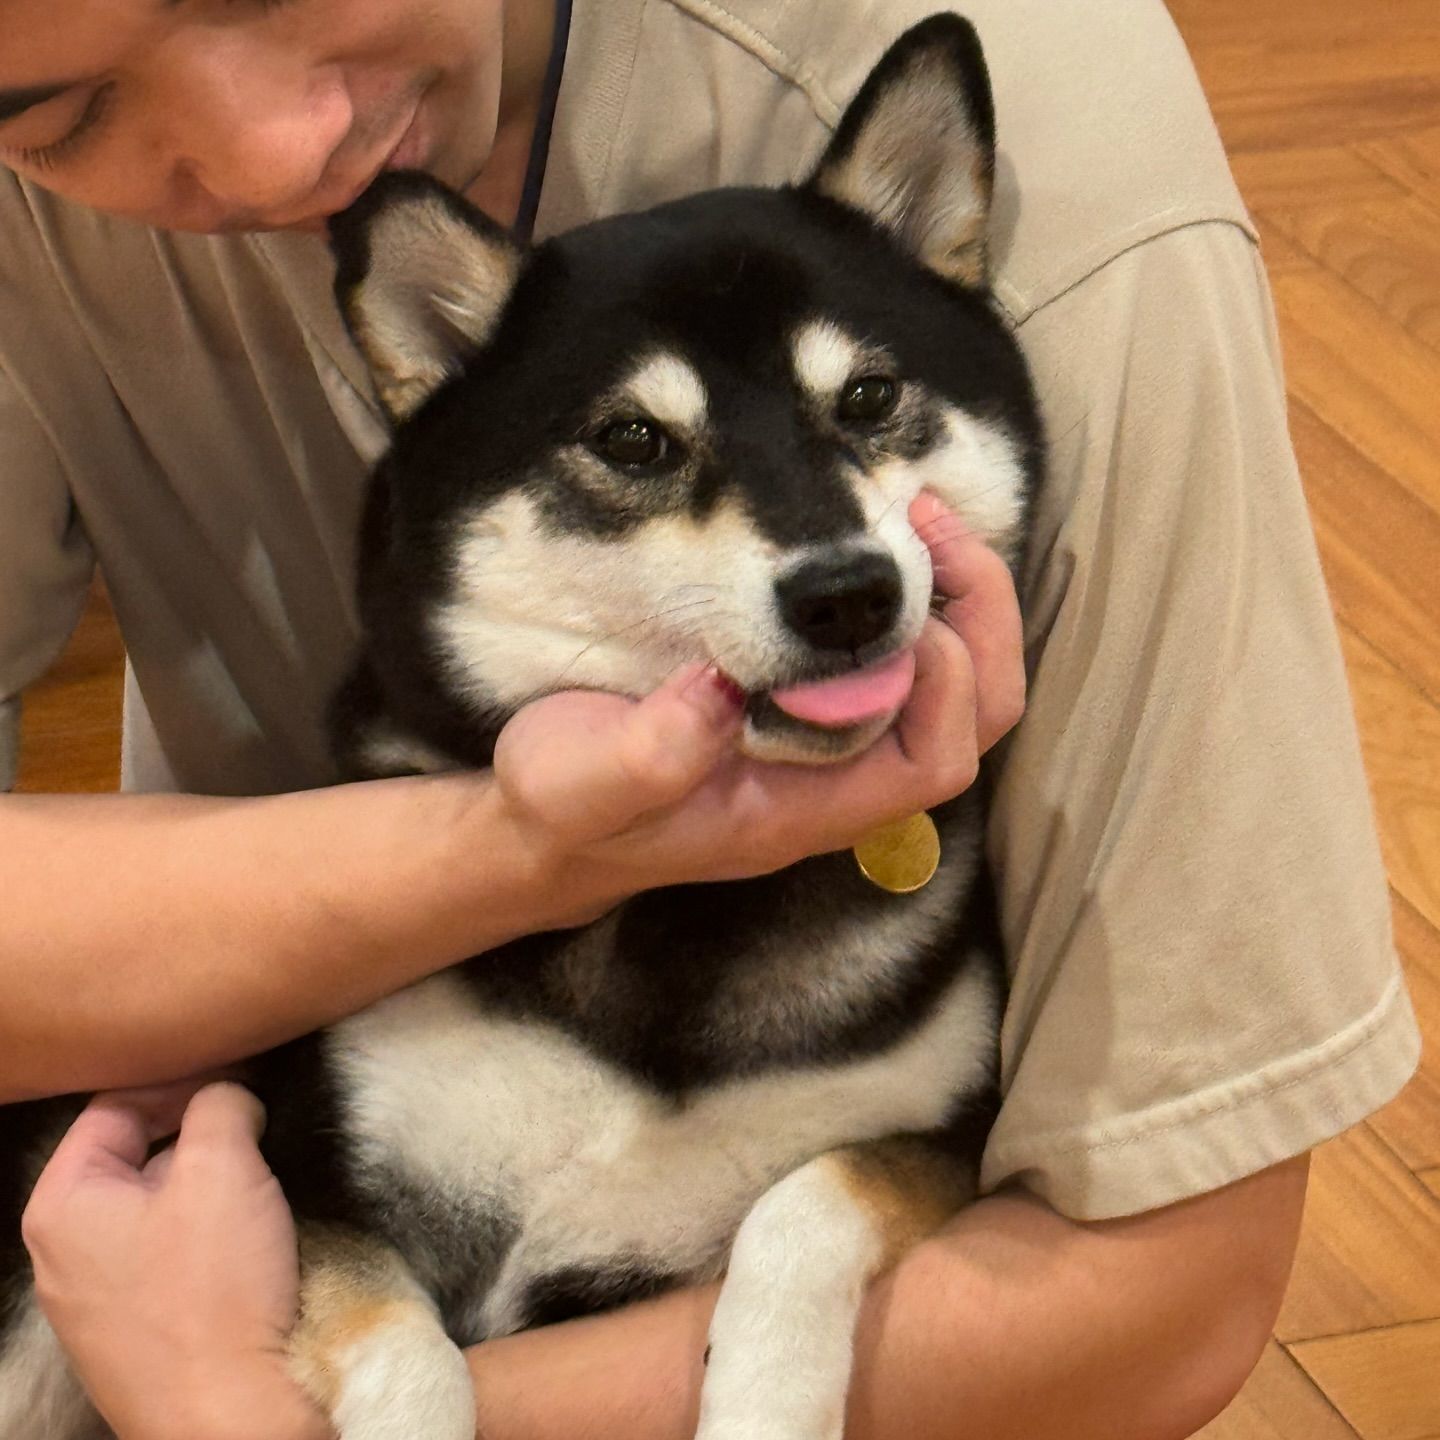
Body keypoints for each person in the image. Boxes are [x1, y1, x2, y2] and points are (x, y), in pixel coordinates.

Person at [1, 0, 1418, 1437]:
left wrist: (238, 1411)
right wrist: (523, 849)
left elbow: (1163, 1299)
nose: (272, 156)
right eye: (54, 116)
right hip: (220, 1175)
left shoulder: (1053, 138)